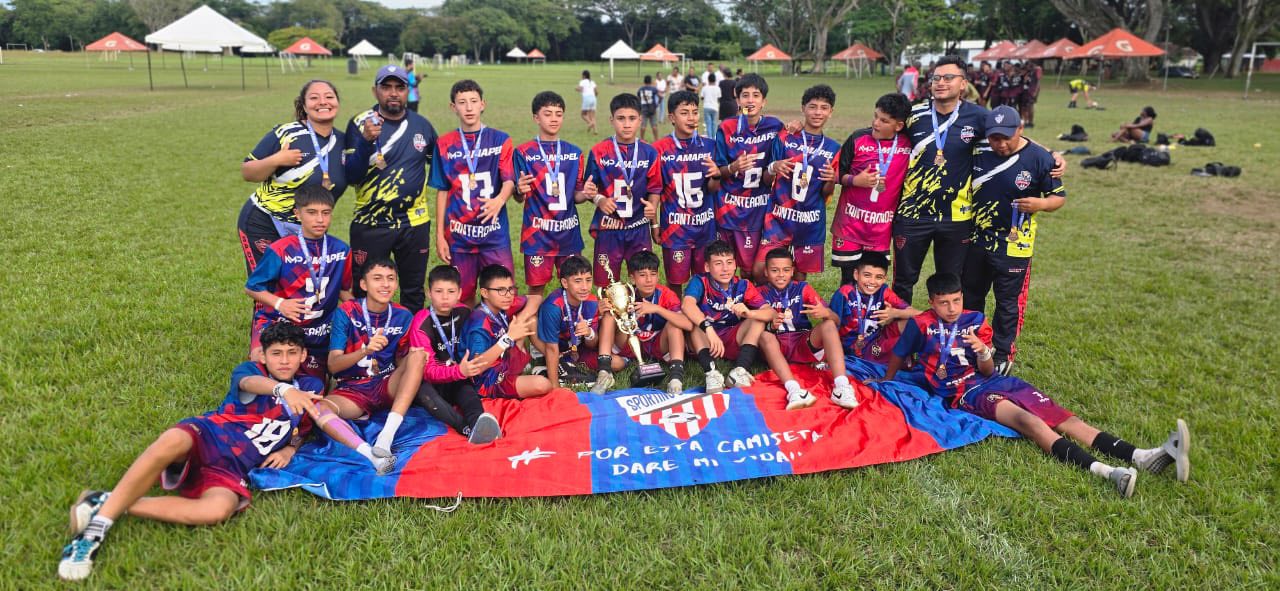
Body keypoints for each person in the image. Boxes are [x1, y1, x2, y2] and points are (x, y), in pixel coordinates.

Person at [871, 272, 1192, 498]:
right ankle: (1108, 472)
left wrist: (982, 351)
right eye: (944, 303)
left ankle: (1141, 456)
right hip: (965, 393)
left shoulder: (975, 320)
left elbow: (987, 369)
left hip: (995, 380)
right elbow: (899, 354)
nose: (952, 308)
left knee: (1065, 419)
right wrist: (885, 381)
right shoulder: (920, 324)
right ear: (931, 301)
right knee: (1029, 421)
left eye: (956, 300)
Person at [59, 323, 339, 580]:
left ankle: (105, 501)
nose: (285, 360)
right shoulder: (251, 371)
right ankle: (95, 531)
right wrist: (282, 390)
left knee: (218, 509)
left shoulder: (311, 387)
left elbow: (304, 427)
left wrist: (290, 448)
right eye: (276, 353)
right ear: (263, 357)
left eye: (292, 353)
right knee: (172, 439)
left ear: (303, 355)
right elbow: (250, 385)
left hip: (232, 467)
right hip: (210, 436)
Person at [963, 106, 1065, 375]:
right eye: (994, 138)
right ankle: (972, 345)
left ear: (1020, 129)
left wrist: (1042, 204)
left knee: (1007, 302)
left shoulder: (1040, 158)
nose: (1000, 144)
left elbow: (1059, 197)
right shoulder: (978, 149)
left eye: (1006, 137)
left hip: (1015, 244)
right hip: (977, 239)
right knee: (971, 295)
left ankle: (1002, 352)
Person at [892, 55, 990, 304]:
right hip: (912, 213)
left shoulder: (978, 117)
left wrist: (1050, 155)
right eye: (936, 78)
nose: (940, 83)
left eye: (948, 78)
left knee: (951, 282)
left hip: (956, 216)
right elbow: (879, 131)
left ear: (963, 83)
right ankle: (898, 327)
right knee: (903, 281)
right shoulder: (913, 114)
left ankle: (945, 327)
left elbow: (1013, 139)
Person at [342, 65, 438, 312]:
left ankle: (412, 335)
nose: (393, 93)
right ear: (375, 91)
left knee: (413, 290)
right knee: (367, 289)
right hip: (371, 223)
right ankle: (367, 334)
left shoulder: (422, 126)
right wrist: (366, 141)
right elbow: (351, 176)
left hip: (414, 224)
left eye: (399, 87)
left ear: (408, 91)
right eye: (386, 87)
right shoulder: (359, 124)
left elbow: (440, 168)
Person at [682, 240, 816, 409]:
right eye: (718, 264)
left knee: (758, 318)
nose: (725, 269)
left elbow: (769, 312)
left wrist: (748, 313)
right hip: (705, 339)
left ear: (735, 264)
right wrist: (708, 329)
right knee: (693, 321)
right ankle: (711, 373)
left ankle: (739, 371)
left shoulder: (742, 285)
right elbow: (687, 304)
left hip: (731, 337)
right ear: (707, 267)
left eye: (729, 263)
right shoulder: (700, 281)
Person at [238, 80, 346, 275]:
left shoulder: (344, 142)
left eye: (329, 97)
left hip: (310, 227)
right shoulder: (286, 134)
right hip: (265, 221)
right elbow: (247, 171)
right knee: (267, 285)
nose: (323, 102)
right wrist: (276, 159)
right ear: (304, 105)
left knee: (302, 284)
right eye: (314, 98)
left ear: (337, 102)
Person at [244, 185, 353, 378]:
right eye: (312, 212)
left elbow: (344, 291)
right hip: (278, 322)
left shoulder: (341, 250)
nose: (320, 219)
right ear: (297, 213)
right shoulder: (281, 249)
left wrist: (364, 313)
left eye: (326, 213)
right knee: (258, 370)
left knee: (314, 386)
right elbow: (252, 287)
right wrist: (281, 303)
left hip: (319, 330)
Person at [320, 257, 417, 470]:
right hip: (353, 389)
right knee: (319, 408)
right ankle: (370, 455)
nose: (385, 284)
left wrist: (414, 357)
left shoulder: (403, 315)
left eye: (391, 278)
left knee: (418, 355)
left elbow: (402, 361)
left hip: (386, 384)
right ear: (364, 284)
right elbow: (333, 365)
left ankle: (386, 437)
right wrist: (365, 350)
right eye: (378, 278)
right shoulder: (347, 311)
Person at [429, 79, 517, 306]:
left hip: (494, 235)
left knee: (502, 293)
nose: (468, 107)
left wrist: (500, 199)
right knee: (463, 295)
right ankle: (467, 329)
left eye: (473, 101)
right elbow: (442, 190)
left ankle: (498, 330)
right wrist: (439, 235)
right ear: (453, 107)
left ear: (482, 104)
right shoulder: (444, 144)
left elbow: (509, 180)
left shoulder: (501, 139)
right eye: (462, 102)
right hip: (459, 236)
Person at [400, 265, 501, 444]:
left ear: (460, 293)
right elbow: (426, 370)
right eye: (439, 291)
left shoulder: (465, 313)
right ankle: (464, 427)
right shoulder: (421, 322)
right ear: (429, 293)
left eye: (451, 291)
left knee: (467, 391)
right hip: (432, 382)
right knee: (422, 389)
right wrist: (458, 371)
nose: (445, 297)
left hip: (458, 377)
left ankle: (478, 423)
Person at [756, 84, 840, 283]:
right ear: (803, 108)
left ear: (830, 112)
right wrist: (774, 167)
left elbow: (826, 193)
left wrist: (830, 180)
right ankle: (766, 302)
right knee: (760, 270)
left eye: (824, 108)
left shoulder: (834, 148)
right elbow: (766, 178)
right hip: (778, 218)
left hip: (809, 222)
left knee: (799, 277)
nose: (817, 112)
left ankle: (792, 304)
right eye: (812, 106)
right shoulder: (785, 137)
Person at [758, 248, 859, 408]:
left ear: (792, 271)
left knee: (828, 325)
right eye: (775, 270)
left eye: (786, 270)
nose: (781, 275)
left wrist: (826, 313)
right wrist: (770, 326)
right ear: (766, 272)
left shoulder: (802, 288)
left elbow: (836, 320)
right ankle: (794, 391)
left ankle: (841, 387)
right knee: (764, 336)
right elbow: (751, 326)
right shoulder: (759, 293)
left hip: (801, 341)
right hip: (776, 344)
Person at [831, 92, 912, 286]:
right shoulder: (858, 138)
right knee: (849, 280)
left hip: (880, 230)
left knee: (872, 282)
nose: (876, 123)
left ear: (898, 126)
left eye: (884, 120)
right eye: (876, 116)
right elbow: (835, 174)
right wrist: (855, 180)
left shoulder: (908, 144)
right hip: (849, 225)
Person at [514, 91, 588, 297]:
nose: (554, 118)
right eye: (548, 114)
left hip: (568, 234)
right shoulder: (524, 152)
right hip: (537, 235)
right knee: (536, 289)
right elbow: (519, 196)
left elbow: (577, 196)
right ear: (536, 118)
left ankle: (566, 319)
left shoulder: (575, 153)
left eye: (558, 114)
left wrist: (588, 193)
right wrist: (519, 190)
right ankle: (536, 320)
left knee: (573, 286)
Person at [584, 93, 661, 287]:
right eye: (621, 118)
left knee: (643, 281)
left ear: (640, 120)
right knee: (607, 283)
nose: (626, 124)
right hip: (609, 228)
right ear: (611, 120)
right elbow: (589, 189)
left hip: (639, 227)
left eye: (632, 118)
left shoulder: (650, 152)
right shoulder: (599, 151)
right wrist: (599, 200)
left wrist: (652, 210)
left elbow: (655, 188)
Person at [651, 90, 720, 295]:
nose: (691, 118)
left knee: (705, 280)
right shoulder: (659, 149)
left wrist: (716, 175)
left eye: (695, 112)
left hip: (705, 227)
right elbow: (654, 190)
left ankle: (700, 313)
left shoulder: (710, 146)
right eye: (684, 113)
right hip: (675, 229)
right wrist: (654, 224)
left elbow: (713, 188)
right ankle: (675, 313)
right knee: (675, 281)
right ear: (672, 117)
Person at [595, 250, 691, 395]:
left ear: (658, 276)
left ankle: (676, 378)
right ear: (632, 278)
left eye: (653, 274)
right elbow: (601, 324)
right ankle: (604, 372)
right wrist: (600, 312)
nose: (649, 280)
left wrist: (657, 309)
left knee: (674, 324)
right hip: (629, 344)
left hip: (658, 344)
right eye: (642, 275)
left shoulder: (666, 295)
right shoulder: (623, 294)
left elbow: (688, 324)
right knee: (609, 316)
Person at [714, 73, 783, 276]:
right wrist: (733, 167)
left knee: (752, 270)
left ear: (764, 101)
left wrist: (772, 169)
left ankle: (750, 297)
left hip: (758, 208)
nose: (750, 100)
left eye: (756, 95)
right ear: (737, 100)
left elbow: (771, 175)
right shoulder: (726, 127)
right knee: (725, 266)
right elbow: (717, 171)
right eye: (745, 95)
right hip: (728, 208)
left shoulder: (775, 127)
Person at [464, 264, 552, 399]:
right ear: (485, 293)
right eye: (501, 290)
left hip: (504, 360)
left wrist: (520, 319)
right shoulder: (479, 325)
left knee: (530, 320)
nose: (508, 295)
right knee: (542, 384)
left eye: (510, 289)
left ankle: (553, 359)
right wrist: (508, 337)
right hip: (489, 380)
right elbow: (476, 367)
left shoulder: (500, 304)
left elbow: (536, 298)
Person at [533, 255, 619, 388]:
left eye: (588, 280)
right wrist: (555, 387)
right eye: (578, 281)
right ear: (565, 283)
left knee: (618, 363)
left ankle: (567, 368)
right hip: (552, 348)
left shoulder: (591, 302)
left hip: (576, 350)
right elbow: (551, 348)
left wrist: (589, 333)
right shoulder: (553, 307)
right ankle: (553, 368)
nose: (584, 287)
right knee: (532, 323)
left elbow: (591, 344)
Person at [828, 252, 917, 366]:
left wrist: (894, 313)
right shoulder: (845, 293)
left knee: (913, 323)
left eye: (878, 277)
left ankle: (910, 362)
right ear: (856, 274)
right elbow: (830, 325)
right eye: (867, 275)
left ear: (884, 279)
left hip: (874, 344)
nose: (872, 282)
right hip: (846, 348)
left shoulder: (883, 291)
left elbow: (917, 313)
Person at [637, 75, 662, 142]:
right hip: (652, 109)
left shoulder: (640, 89)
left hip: (643, 109)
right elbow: (660, 96)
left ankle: (642, 139)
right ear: (650, 81)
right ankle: (656, 139)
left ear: (644, 81)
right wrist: (657, 104)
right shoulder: (653, 89)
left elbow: (638, 99)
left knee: (643, 125)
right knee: (654, 125)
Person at [698, 74, 721, 140]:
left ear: (708, 80)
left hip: (707, 107)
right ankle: (713, 138)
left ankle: (710, 138)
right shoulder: (718, 88)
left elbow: (702, 97)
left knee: (708, 123)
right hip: (715, 107)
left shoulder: (705, 88)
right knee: (714, 123)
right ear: (715, 80)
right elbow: (719, 98)